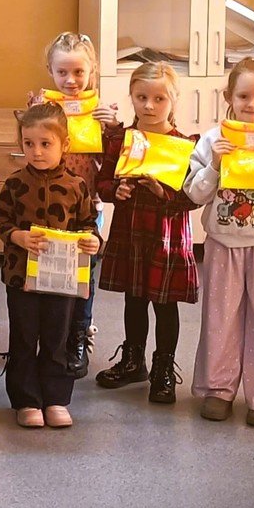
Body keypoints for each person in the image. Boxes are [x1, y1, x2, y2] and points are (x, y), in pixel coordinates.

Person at [185, 58, 254, 428]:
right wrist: (215, 164)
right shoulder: (211, 141)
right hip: (223, 244)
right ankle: (218, 390)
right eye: (244, 96)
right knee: (220, 319)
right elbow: (194, 194)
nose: (252, 104)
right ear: (228, 97)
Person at [92, 63, 198, 405]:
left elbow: (193, 197)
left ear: (174, 100)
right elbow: (102, 182)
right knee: (134, 298)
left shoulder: (184, 145)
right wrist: (116, 190)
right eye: (141, 98)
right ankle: (133, 360)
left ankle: (163, 368)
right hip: (131, 232)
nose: (149, 106)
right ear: (132, 98)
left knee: (165, 304)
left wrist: (162, 192)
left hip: (167, 236)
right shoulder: (122, 139)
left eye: (159, 99)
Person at [0, 102, 100, 430]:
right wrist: (18, 236)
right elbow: (1, 221)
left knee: (58, 337)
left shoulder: (76, 185)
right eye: (29, 144)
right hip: (21, 277)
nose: (37, 152)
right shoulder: (14, 184)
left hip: (62, 280)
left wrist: (92, 240)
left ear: (64, 145)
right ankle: (26, 400)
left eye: (45, 144)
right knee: (24, 337)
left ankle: (56, 398)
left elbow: (88, 223)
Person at [29, 32, 116, 377]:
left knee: (82, 273)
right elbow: (30, 151)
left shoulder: (101, 113)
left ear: (92, 70)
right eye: (62, 72)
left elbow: (111, 166)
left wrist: (112, 131)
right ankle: (47, 338)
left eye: (79, 72)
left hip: (87, 207)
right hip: (46, 204)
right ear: (50, 71)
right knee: (46, 270)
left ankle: (78, 336)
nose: (70, 81)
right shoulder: (43, 108)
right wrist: (34, 116)